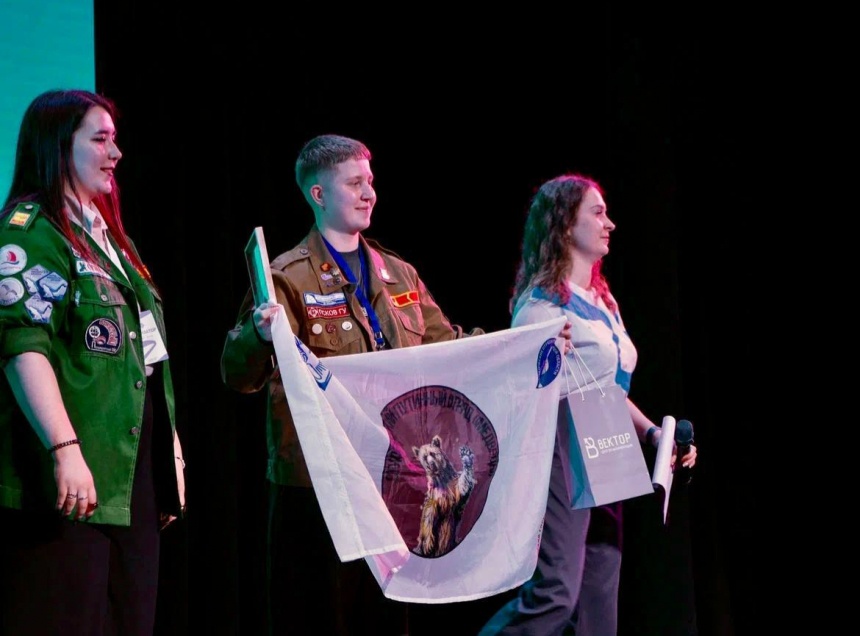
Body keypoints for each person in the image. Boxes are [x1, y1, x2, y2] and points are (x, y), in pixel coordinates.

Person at [221, 133, 496, 636]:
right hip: (318, 489)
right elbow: (237, 374)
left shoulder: (399, 274)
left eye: (370, 181)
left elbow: (450, 347)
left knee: (384, 621)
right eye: (354, 183)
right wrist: (259, 337)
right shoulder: (287, 277)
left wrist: (519, 345)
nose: (369, 193)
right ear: (318, 194)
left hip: (392, 484)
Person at [0, 89, 186, 636]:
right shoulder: (32, 232)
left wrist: (169, 455)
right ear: (60, 147)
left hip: (129, 475)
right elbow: (22, 345)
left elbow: (149, 355)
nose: (116, 153)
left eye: (115, 139)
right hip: (70, 475)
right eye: (100, 140)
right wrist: (65, 449)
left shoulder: (111, 241)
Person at [479, 173, 697, 636]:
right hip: (560, 442)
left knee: (599, 598)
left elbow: (608, 388)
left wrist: (652, 434)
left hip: (605, 441)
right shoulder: (540, 305)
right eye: (597, 213)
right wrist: (542, 353)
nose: (609, 223)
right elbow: (522, 388)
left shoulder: (603, 300)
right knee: (557, 592)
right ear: (563, 224)